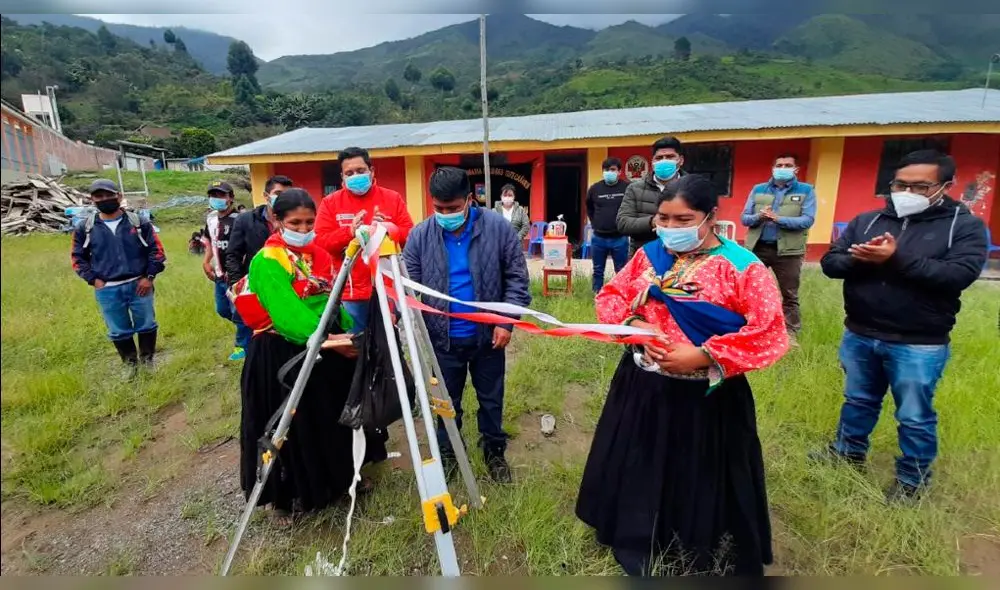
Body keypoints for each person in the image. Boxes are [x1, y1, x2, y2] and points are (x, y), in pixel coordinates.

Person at [577, 174, 789, 576]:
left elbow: (769, 332)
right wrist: (637, 323)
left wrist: (703, 354)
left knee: (697, 475)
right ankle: (638, 536)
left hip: (705, 399)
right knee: (641, 463)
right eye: (663, 218)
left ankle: (692, 541)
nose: (670, 229)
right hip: (643, 385)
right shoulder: (649, 255)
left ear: (711, 217)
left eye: (683, 219)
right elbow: (613, 296)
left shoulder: (744, 268)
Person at [814, 150, 987, 503]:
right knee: (858, 400)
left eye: (920, 186)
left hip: (918, 342)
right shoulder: (869, 220)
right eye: (899, 184)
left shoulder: (963, 227)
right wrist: (862, 259)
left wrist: (896, 258)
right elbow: (831, 263)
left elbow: (957, 275)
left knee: (914, 414)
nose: (906, 192)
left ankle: (912, 480)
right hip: (860, 331)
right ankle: (847, 454)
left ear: (944, 186)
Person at [239, 188, 385, 524]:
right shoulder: (267, 262)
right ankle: (285, 498)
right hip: (282, 353)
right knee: (289, 424)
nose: (303, 229)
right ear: (277, 221)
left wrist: (349, 332)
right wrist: (331, 340)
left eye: (308, 222)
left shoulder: (318, 254)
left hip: (325, 344)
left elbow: (333, 297)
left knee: (328, 416)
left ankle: (339, 481)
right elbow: (288, 315)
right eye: (295, 223)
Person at [402, 167, 531, 483]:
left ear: (470, 200)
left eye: (453, 208)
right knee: (446, 404)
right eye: (439, 209)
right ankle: (448, 455)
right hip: (442, 340)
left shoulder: (498, 229)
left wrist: (506, 322)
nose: (446, 214)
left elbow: (517, 278)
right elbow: (408, 285)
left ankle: (494, 453)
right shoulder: (420, 236)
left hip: (488, 336)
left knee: (491, 400)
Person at [71, 179, 167, 379]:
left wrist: (148, 277)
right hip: (108, 289)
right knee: (118, 329)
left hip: (140, 284)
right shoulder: (85, 228)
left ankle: (147, 362)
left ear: (119, 196)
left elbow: (156, 252)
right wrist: (94, 280)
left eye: (109, 194)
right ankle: (130, 365)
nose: (104, 199)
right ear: (92, 200)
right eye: (99, 196)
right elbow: (77, 258)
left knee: (147, 324)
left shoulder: (138, 222)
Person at [315, 147, 414, 333]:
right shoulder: (330, 203)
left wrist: (386, 230)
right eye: (349, 173)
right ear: (342, 177)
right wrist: (350, 232)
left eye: (360, 171)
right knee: (355, 346)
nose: (355, 176)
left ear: (372, 171)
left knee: (388, 345)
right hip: (350, 291)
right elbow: (321, 241)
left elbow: (409, 234)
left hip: (387, 288)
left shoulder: (392, 198)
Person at [740, 154, 816, 342]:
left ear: (796, 169)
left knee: (789, 293)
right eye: (779, 165)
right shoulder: (759, 189)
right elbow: (744, 218)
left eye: (787, 165)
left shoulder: (806, 190)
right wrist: (760, 217)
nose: (783, 168)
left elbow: (807, 220)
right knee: (748, 289)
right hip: (758, 248)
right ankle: (750, 326)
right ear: (773, 168)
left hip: (788, 252)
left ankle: (790, 334)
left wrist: (778, 219)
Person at [201, 181, 252, 361]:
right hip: (219, 275)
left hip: (236, 276)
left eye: (221, 195)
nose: (217, 199)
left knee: (239, 312)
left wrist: (238, 271)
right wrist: (206, 262)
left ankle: (242, 346)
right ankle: (251, 328)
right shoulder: (210, 218)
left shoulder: (240, 220)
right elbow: (209, 241)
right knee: (223, 310)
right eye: (213, 195)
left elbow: (246, 247)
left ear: (230, 198)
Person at [617, 136, 687, 257]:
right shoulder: (635, 188)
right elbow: (623, 223)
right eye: (659, 158)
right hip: (644, 256)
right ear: (653, 162)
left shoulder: (693, 188)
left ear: (680, 160)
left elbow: (705, 223)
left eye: (670, 157)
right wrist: (652, 222)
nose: (664, 161)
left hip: (683, 257)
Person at [226, 175, 293, 288]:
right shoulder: (246, 220)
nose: (283, 198)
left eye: (287, 195)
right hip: (255, 284)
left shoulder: (297, 222)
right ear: (266, 196)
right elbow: (233, 255)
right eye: (278, 194)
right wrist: (237, 285)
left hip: (289, 284)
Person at [586, 157, 630, 292]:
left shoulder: (627, 188)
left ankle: (621, 294)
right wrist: (595, 223)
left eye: (612, 170)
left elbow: (630, 208)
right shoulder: (595, 188)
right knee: (598, 270)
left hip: (620, 238)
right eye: (606, 170)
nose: (609, 172)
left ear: (619, 172)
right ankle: (597, 295)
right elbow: (589, 207)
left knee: (621, 271)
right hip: (599, 238)